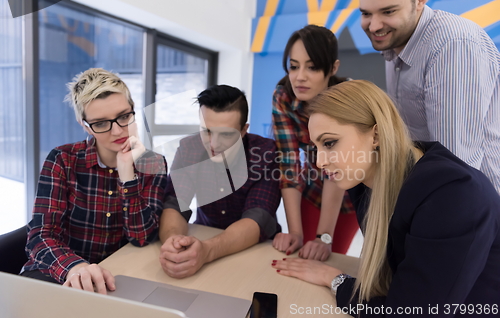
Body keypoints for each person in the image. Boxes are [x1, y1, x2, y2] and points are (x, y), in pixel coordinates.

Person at [272, 80, 500, 316]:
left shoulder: (453, 195)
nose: (319, 162)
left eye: (330, 143)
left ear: (376, 135)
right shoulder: (366, 182)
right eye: (316, 147)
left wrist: (335, 280)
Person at [21, 68, 168, 294]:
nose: (118, 130)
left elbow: (142, 237)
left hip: (115, 278)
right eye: (100, 123)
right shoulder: (63, 159)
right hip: (59, 272)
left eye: (124, 116)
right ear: (84, 125)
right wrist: (75, 266)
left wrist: (127, 174)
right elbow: (41, 235)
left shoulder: (153, 163)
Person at [359, 0, 500, 193]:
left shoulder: (452, 46)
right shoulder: (395, 39)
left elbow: (454, 167)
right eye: (366, 13)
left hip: (475, 208)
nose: (373, 26)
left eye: (388, 12)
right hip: (437, 196)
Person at [159, 85, 281, 278]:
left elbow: (257, 217)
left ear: (243, 131)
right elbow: (174, 203)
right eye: (207, 131)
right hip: (203, 238)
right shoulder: (188, 148)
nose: (214, 144)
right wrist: (173, 242)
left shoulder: (266, 153)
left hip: (257, 251)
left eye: (225, 134)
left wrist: (207, 251)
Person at [271, 25, 358, 259]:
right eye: (294, 66)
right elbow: (288, 164)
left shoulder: (347, 100)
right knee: (300, 252)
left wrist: (324, 237)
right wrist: (295, 232)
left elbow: (337, 171)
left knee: (329, 256)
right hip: (313, 188)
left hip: (351, 192)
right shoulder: (284, 97)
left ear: (332, 68)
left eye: (312, 67)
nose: (300, 77)